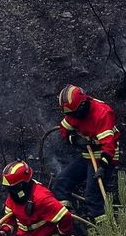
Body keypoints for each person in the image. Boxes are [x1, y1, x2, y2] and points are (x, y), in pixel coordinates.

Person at [51, 84, 120, 222]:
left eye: (73, 114)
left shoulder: (103, 113)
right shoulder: (74, 111)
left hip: (104, 155)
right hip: (87, 155)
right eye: (69, 114)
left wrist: (103, 167)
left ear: (82, 106)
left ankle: (106, 230)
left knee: (93, 195)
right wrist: (74, 139)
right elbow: (64, 128)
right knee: (61, 182)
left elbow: (109, 145)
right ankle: (68, 221)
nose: (72, 117)